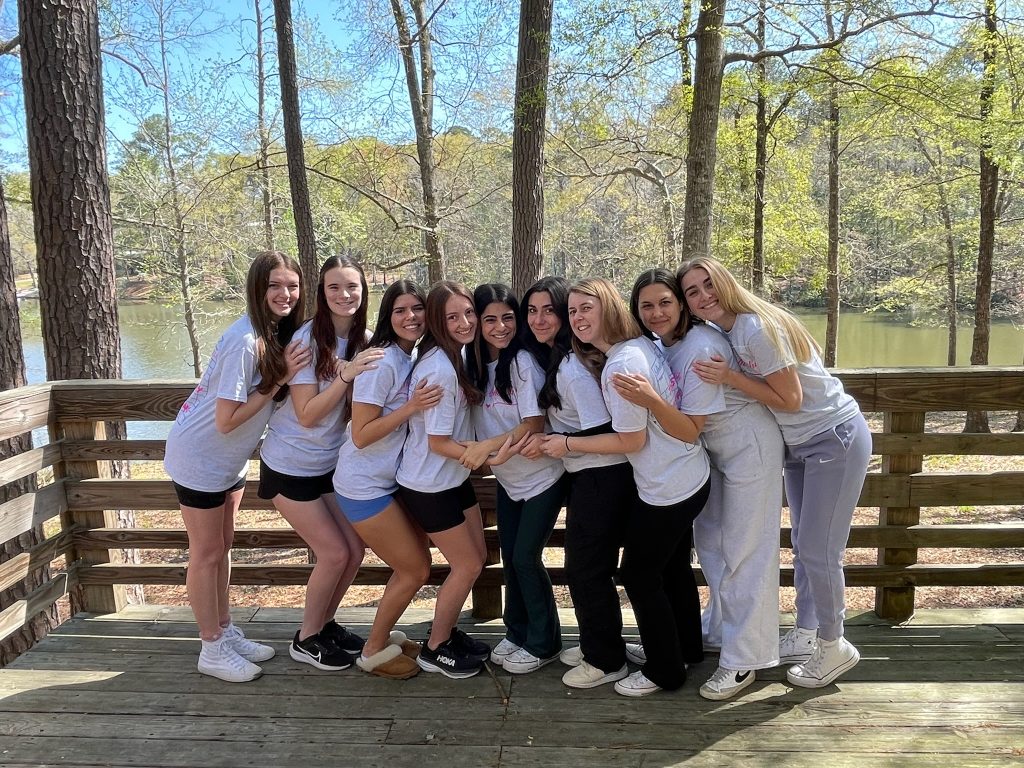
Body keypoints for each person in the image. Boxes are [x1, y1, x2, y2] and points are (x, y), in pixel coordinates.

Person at [680, 255, 871, 688]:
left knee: (821, 550)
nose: (703, 295)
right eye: (693, 291)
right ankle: (807, 633)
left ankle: (834, 644)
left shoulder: (754, 328)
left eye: (709, 284)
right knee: (806, 544)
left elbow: (790, 399)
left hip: (833, 438)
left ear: (725, 282)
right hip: (800, 447)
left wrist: (730, 377)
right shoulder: (725, 330)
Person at [612, 268, 784, 700]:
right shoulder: (666, 345)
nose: (656, 313)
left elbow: (688, 427)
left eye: (666, 302)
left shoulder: (701, 346)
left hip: (747, 449)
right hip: (712, 458)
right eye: (646, 305)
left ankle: (745, 659)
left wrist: (648, 400)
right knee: (712, 548)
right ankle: (717, 634)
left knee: (747, 552)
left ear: (681, 305)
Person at [540, 277, 711, 698]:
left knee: (638, 574)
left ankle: (665, 671)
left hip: (668, 485)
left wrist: (565, 443)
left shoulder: (620, 364)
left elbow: (630, 440)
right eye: (574, 311)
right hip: (684, 474)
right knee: (670, 568)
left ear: (611, 308)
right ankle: (684, 649)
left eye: (587, 308)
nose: (578, 318)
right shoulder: (639, 347)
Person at [164, 250, 309, 683]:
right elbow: (226, 419)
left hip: (228, 461)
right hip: (201, 458)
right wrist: (279, 380)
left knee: (223, 545)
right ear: (257, 290)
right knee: (206, 554)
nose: (285, 294)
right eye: (274, 286)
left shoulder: (275, 335)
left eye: (292, 286)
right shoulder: (245, 341)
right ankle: (210, 646)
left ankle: (225, 631)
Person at [258, 255, 384, 672]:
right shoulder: (307, 340)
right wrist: (346, 376)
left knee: (354, 548)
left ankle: (325, 624)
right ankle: (306, 637)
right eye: (334, 287)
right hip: (289, 465)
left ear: (364, 292)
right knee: (333, 553)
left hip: (330, 466)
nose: (344, 295)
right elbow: (308, 414)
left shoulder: (366, 340)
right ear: (321, 294)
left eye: (352, 287)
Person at [519, 276, 640, 691]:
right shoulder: (564, 357)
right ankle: (600, 642)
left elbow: (603, 427)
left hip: (603, 475)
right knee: (589, 567)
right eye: (531, 311)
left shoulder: (571, 367)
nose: (540, 319)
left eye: (550, 310)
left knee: (586, 569)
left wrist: (560, 444)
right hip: (589, 474)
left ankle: (606, 659)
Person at [334, 279, 443, 679]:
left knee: (416, 564)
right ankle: (373, 650)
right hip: (362, 486)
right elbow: (361, 435)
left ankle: (384, 637)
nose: (411, 317)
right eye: (400, 310)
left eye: (418, 309)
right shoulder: (380, 361)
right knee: (415, 569)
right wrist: (412, 407)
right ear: (387, 317)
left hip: (387, 483)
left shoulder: (407, 357)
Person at [395, 280, 502, 679]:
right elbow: (439, 441)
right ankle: (435, 647)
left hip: (451, 480)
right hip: (429, 485)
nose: (465, 322)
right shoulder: (439, 368)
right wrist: (483, 455)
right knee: (469, 564)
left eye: (469, 313)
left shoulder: (455, 358)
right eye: (451, 317)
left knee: (474, 560)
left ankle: (446, 633)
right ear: (437, 323)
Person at [467, 283, 567, 674]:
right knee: (511, 557)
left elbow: (533, 422)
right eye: (489, 319)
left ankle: (545, 642)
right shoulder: (474, 364)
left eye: (508, 318)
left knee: (526, 557)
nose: (499, 327)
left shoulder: (522, 362)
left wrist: (486, 448)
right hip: (509, 480)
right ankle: (517, 630)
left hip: (543, 477)